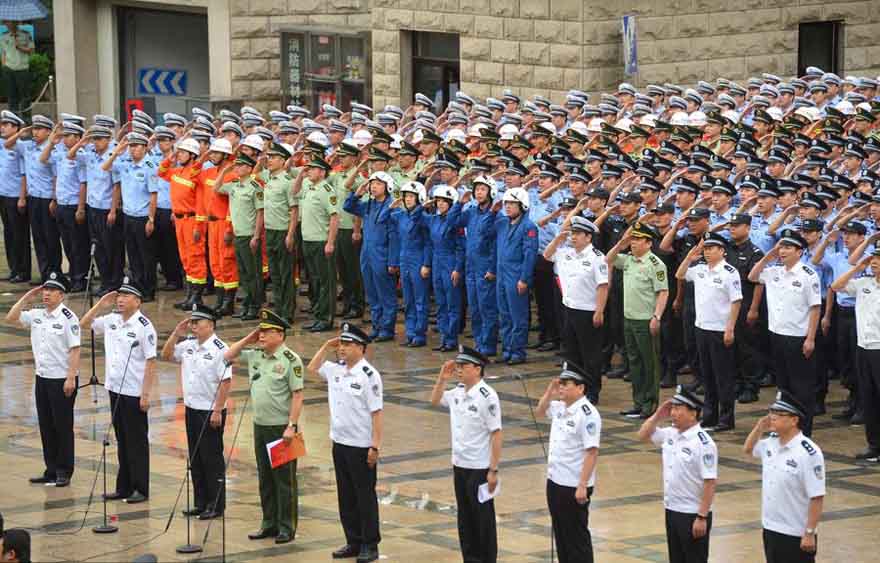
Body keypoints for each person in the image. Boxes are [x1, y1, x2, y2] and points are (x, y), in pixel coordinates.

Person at [224, 309, 304, 544]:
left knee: (285, 481)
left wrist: (292, 426)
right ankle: (268, 523)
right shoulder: (257, 355)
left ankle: (286, 527)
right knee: (265, 478)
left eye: (267, 332)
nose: (262, 336)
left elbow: (298, 395)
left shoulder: (291, 360)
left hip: (282, 428)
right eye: (261, 331)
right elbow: (228, 355)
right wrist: (249, 338)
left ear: (280, 335)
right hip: (260, 425)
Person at [308, 323, 383, 563]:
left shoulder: (369, 376)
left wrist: (375, 445)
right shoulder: (337, 370)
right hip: (339, 441)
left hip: (361, 445)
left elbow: (376, 413)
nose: (342, 348)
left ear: (361, 348)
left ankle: (369, 544)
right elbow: (312, 367)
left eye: (347, 344)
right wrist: (326, 346)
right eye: (341, 344)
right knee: (346, 494)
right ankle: (353, 540)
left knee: (364, 496)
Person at [80, 277, 157, 504]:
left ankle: (140, 488)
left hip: (134, 392)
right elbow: (84, 324)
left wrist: (145, 394)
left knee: (136, 442)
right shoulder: (111, 319)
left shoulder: (144, 327)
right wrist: (100, 305)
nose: (120, 300)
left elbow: (151, 362)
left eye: (126, 297)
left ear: (137, 301)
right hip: (114, 388)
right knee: (122, 440)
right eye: (119, 296)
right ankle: (123, 487)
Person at [5, 272, 80, 487]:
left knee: (62, 425)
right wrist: (27, 298)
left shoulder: (68, 318)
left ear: (61, 295)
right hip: (42, 377)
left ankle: (65, 470)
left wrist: (71, 378)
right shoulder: (37, 314)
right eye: (45, 290)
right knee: (46, 424)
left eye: (51, 290)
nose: (46, 294)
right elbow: (11, 318)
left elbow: (75, 350)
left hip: (61, 378)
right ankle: (51, 469)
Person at [430, 346, 502, 563]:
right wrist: (442, 378)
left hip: (479, 467)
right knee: (465, 517)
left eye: (464, 366)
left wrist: (493, 469)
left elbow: (496, 433)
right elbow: (434, 400)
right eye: (458, 365)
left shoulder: (487, 396)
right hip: (459, 464)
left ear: (477, 369)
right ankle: (470, 558)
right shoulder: (457, 392)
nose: (459, 370)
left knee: (482, 518)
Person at [160, 304, 232, 520]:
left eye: (197, 322)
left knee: (212, 459)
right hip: (191, 408)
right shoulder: (189, 345)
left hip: (210, 411)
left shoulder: (220, 348)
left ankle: (216, 504)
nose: (193, 326)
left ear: (210, 325)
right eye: (191, 322)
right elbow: (166, 355)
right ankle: (200, 502)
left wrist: (218, 410)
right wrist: (176, 334)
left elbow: (225, 382)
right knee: (196, 458)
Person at [748, 229, 822, 436]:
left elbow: (815, 307)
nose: (783, 251)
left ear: (800, 251)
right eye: (781, 246)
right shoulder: (773, 271)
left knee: (802, 387)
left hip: (798, 336)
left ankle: (803, 430)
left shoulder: (808, 275)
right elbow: (752, 276)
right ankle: (784, 427)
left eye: (788, 247)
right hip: (777, 334)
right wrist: (768, 255)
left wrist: (810, 338)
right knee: (784, 385)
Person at [638, 386, 718, 563]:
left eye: (678, 409)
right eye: (672, 408)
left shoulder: (704, 443)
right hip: (672, 509)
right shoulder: (670, 434)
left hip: (692, 513)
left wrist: (702, 517)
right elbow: (642, 434)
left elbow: (710, 482)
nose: (673, 413)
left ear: (693, 413)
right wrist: (659, 414)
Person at [744, 391, 825, 563]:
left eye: (779, 415)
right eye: (771, 413)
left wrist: (809, 532)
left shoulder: (808, 452)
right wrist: (759, 427)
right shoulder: (771, 443)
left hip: (795, 532)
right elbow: (748, 449)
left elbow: (817, 496)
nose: (772, 417)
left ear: (794, 420)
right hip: (771, 527)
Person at [535, 362, 601, 563]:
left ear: (580, 388)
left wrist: (582, 485)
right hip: (555, 480)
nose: (561, 387)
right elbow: (540, 410)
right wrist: (550, 391)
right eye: (560, 383)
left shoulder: (588, 415)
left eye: (566, 383)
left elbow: (592, 452)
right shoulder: (560, 408)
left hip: (574, 484)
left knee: (576, 537)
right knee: (561, 534)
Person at [676, 233, 742, 432]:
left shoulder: (729, 272)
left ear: (722, 251)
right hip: (702, 328)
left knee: (723, 376)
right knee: (707, 376)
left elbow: (736, 301)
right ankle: (709, 415)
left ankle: (726, 418)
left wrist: (730, 328)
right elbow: (679, 275)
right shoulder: (700, 270)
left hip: (720, 330)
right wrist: (689, 257)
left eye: (711, 248)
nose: (707, 252)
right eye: (705, 248)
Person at [606, 222, 669, 418]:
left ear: (648, 243)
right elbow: (608, 259)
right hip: (629, 319)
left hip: (645, 320)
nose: (634, 243)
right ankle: (638, 401)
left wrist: (657, 316)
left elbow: (663, 292)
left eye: (638, 239)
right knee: (634, 362)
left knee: (649, 363)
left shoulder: (656, 265)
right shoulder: (629, 260)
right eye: (632, 239)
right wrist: (621, 244)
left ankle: (650, 403)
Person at [544, 216, 608, 403]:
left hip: (588, 311)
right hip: (568, 308)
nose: (573, 237)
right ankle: (573, 389)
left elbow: (603, 286)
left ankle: (592, 390)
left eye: (578, 234)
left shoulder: (597, 258)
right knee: (571, 353)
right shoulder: (566, 253)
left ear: (588, 237)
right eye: (572, 233)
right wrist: (557, 240)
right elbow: (547, 255)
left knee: (590, 354)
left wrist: (600, 310)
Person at [830, 248, 880, 460]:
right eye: (874, 259)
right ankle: (874, 445)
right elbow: (836, 286)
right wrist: (858, 268)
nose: (875, 263)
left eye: (879, 260)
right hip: (864, 347)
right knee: (868, 398)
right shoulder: (864, 283)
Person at [103, 133, 159, 301]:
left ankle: (149, 290)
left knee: (146, 256)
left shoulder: (149, 167)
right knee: (133, 254)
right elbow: (105, 167)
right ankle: (137, 286)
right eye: (131, 146)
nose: (133, 149)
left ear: (145, 147)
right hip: (128, 216)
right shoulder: (124, 164)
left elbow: (154, 195)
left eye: (137, 146)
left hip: (143, 217)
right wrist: (117, 151)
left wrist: (151, 219)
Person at [5, 116, 62, 280]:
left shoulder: (52, 149)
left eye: (39, 129)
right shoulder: (28, 146)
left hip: (47, 198)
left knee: (50, 236)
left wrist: (54, 199)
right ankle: (44, 273)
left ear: (48, 132)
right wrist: (21, 132)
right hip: (33, 198)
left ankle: (54, 272)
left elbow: (56, 177)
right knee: (38, 237)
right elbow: (8, 144)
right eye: (34, 128)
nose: (35, 132)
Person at [343, 171, 397, 341]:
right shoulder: (368, 205)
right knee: (372, 293)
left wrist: (393, 261)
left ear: (387, 187)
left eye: (378, 184)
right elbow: (348, 207)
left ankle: (387, 329)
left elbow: (395, 238)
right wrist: (357, 194)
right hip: (367, 254)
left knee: (385, 293)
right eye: (372, 183)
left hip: (382, 255)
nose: (373, 186)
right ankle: (376, 326)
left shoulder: (392, 207)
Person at [158, 138, 208, 309]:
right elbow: (161, 172)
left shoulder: (196, 176)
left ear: (192, 155)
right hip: (179, 221)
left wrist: (198, 227)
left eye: (183, 152)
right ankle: (189, 295)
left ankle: (197, 296)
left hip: (192, 220)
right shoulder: (177, 172)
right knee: (185, 258)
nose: (179, 155)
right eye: (179, 152)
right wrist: (170, 157)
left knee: (195, 258)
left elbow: (201, 204)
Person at [454, 176, 500, 357]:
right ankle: (479, 342)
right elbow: (454, 222)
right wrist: (459, 204)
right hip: (471, 266)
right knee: (474, 307)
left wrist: (492, 269)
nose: (479, 193)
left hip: (485, 266)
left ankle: (488, 345)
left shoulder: (496, 214)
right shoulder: (471, 212)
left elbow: (492, 240)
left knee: (486, 307)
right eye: (477, 189)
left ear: (491, 191)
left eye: (483, 189)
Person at [214, 153, 263, 320]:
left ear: (249, 168)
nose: (237, 168)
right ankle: (247, 305)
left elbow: (260, 213)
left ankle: (255, 306)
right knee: (243, 273)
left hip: (249, 235)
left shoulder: (255, 187)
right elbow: (216, 188)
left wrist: (256, 236)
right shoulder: (234, 185)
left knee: (253, 273)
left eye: (241, 166)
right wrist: (225, 171)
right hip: (238, 234)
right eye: (236, 165)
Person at [42, 122, 89, 293]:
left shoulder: (80, 156)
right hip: (61, 204)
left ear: (77, 137)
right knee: (67, 244)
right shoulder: (60, 154)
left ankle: (80, 279)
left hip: (74, 205)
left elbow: (83, 184)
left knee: (78, 245)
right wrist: (52, 142)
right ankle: (74, 276)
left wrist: (81, 208)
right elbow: (43, 159)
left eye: (68, 136)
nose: (64, 139)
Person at [493, 187, 538, 364]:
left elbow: (530, 255)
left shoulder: (529, 227)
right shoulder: (502, 224)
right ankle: (507, 350)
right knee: (504, 315)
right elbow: (484, 231)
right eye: (507, 203)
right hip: (502, 275)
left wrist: (524, 279)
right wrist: (492, 212)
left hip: (516, 276)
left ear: (522, 205)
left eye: (512, 203)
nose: (508, 207)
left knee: (517, 316)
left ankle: (517, 352)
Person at [296, 156, 339, 332]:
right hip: (308, 240)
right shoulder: (308, 185)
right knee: (315, 280)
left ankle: (326, 318)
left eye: (313, 169)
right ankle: (319, 315)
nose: (309, 171)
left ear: (322, 172)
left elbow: (335, 217)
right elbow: (294, 192)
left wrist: (330, 243)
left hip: (321, 241)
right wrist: (300, 175)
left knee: (326, 281)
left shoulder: (326, 190)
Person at [258, 142, 298, 323]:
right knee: (274, 273)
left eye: (273, 157)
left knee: (286, 274)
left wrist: (290, 234)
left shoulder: (287, 182)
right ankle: (279, 308)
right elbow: (255, 171)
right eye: (269, 157)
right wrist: (261, 158)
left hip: (283, 232)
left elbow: (294, 210)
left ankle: (288, 312)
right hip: (270, 231)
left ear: (283, 161)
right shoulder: (269, 177)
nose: (269, 160)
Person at [388, 180, 432, 347]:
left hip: (418, 260)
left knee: (420, 300)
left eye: (411, 196)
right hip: (405, 260)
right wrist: (393, 206)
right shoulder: (401, 216)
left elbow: (428, 243)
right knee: (408, 300)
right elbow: (385, 218)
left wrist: (426, 264)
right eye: (406, 196)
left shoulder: (424, 218)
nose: (407, 199)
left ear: (419, 198)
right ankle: (410, 333)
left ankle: (419, 335)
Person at [0, 110, 31, 283]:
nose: (2, 128)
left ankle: (23, 270)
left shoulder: (21, 146)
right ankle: (13, 269)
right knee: (9, 234)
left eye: (6, 125)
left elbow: (24, 174)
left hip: (15, 195)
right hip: (3, 194)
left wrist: (22, 197)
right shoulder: (1, 143)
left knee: (20, 235)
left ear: (16, 127)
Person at [0, 21, 35, 114]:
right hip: (8, 69)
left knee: (25, 97)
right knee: (11, 97)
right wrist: (4, 66)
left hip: (22, 69)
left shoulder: (25, 35)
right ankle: (13, 121)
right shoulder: (3, 36)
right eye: (6, 22)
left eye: (10, 22)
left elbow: (31, 50)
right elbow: (3, 52)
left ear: (16, 22)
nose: (9, 24)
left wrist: (20, 47)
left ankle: (27, 120)